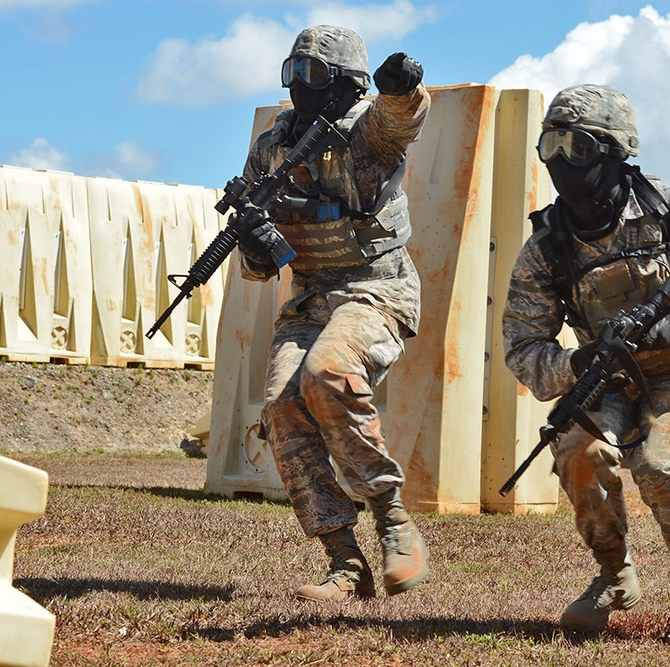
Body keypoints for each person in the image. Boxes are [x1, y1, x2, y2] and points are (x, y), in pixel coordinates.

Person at [501, 84, 670, 643]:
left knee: (660, 465)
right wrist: (579, 359)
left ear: (617, 153)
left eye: (581, 148)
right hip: (607, 374)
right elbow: (522, 347)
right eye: (551, 145)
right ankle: (615, 576)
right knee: (578, 451)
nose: (563, 161)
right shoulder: (547, 247)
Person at [233, 25, 431, 601]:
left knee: (329, 374)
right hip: (311, 296)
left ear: (347, 84)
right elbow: (260, 268)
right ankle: (345, 562)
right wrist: (254, 236)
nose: (300, 87)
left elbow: (400, 121)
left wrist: (401, 91)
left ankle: (395, 524)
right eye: (292, 74)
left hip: (377, 290)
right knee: (283, 407)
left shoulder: (364, 133)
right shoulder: (271, 147)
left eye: (314, 76)